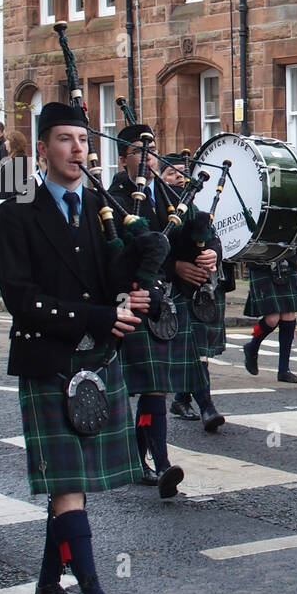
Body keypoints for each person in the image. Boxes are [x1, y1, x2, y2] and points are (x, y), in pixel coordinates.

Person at [0, 102, 152, 594]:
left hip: (96, 360)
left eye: (83, 140)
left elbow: (113, 278)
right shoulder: (16, 210)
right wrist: (99, 316)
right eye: (64, 139)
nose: (76, 149)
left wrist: (145, 274)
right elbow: (20, 298)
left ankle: (47, 585)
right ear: (42, 148)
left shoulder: (99, 206)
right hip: (48, 359)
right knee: (68, 487)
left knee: (69, 487)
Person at [107, 125, 192, 497]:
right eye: (138, 150)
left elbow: (197, 231)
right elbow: (124, 249)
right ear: (123, 156)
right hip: (133, 297)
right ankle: (153, 462)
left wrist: (210, 252)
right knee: (144, 386)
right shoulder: (112, 197)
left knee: (153, 387)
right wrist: (173, 267)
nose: (147, 156)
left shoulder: (172, 194)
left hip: (164, 301)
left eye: (152, 148)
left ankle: (145, 460)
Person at [166, 153, 231, 433]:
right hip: (173, 289)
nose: (180, 177)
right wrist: (175, 266)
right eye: (173, 173)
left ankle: (181, 399)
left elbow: (214, 238)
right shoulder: (156, 206)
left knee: (198, 352)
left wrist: (213, 254)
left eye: (183, 173)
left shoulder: (193, 207)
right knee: (194, 352)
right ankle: (207, 407)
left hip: (201, 289)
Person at [240, 258, 297, 383]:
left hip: (287, 259)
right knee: (272, 319)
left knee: (289, 315)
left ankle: (284, 370)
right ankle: (252, 346)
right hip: (262, 260)